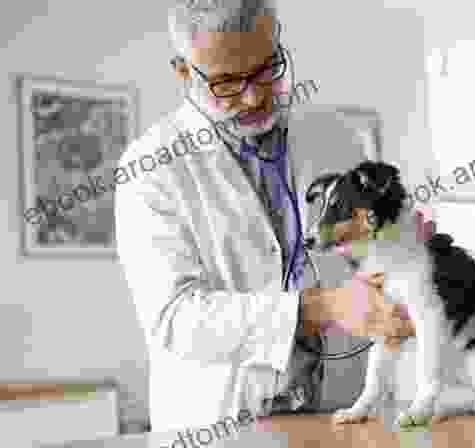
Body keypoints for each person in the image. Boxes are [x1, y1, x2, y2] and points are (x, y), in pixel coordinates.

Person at [115, 0, 414, 433]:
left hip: (342, 410)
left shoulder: (335, 137)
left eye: (266, 69)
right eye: (227, 83)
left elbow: (374, 251)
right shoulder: (151, 166)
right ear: (183, 72)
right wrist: (320, 308)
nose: (254, 96)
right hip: (219, 421)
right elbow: (174, 317)